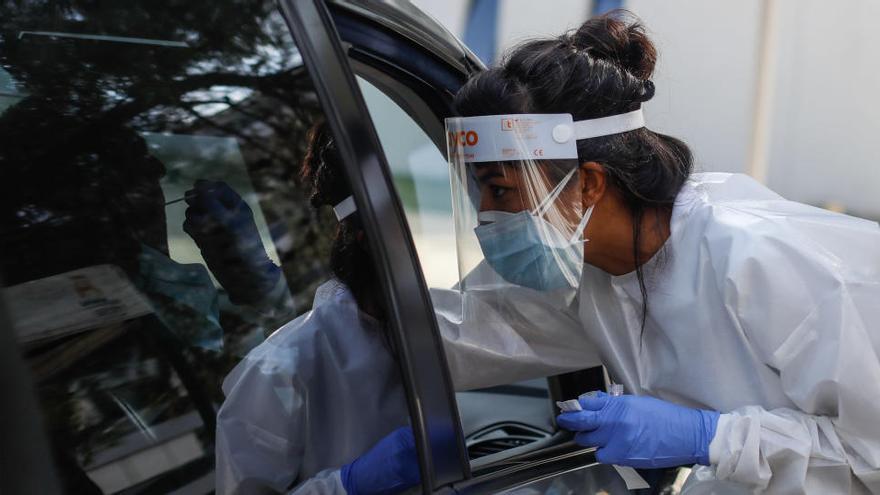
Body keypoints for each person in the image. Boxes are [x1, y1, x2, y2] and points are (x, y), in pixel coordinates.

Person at [433, 11, 880, 494]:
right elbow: (457, 333)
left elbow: (869, 454)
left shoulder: (767, 262)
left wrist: (712, 437)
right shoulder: (584, 270)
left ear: (587, 183)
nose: (485, 215)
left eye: (500, 190)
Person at [215, 121, 420, 495]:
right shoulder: (279, 369)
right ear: (368, 235)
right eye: (416, 220)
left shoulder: (435, 329)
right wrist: (343, 486)